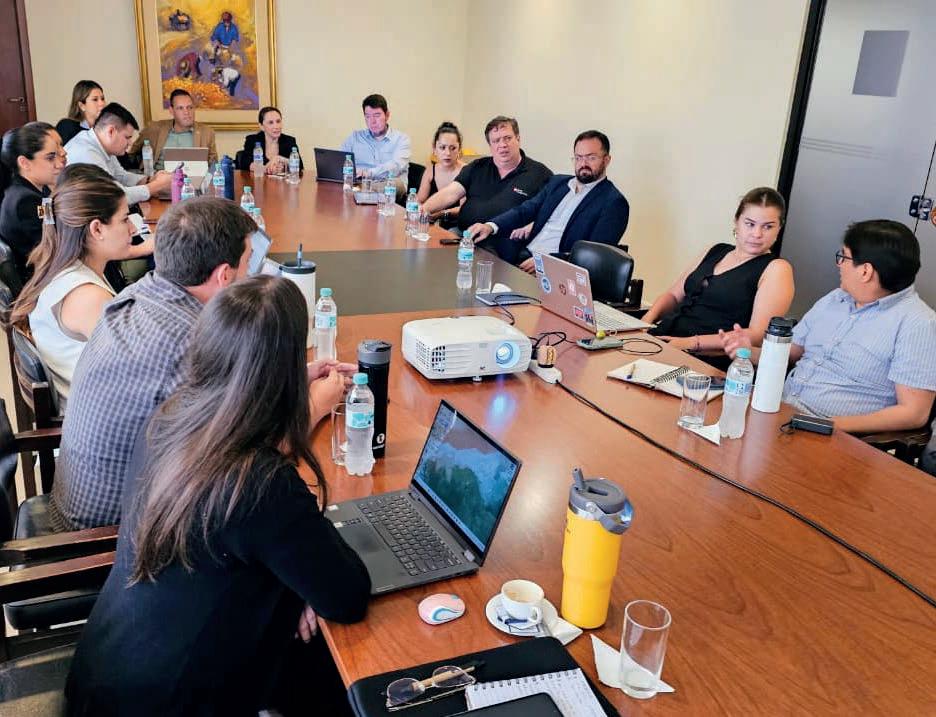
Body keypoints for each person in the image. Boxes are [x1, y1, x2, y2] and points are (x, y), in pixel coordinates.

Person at [65, 274, 370, 716]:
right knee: (340, 679)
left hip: (106, 678)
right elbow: (347, 597)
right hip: (172, 704)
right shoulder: (262, 484)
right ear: (280, 372)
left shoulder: (171, 418)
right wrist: (304, 579)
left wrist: (298, 578)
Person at [721, 219, 936, 434]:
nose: (839, 264)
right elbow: (791, 352)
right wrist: (747, 352)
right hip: (780, 412)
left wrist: (828, 426)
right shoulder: (836, 298)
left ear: (865, 271)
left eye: (844, 257)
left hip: (831, 434)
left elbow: (914, 413)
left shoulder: (917, 323)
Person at [6, 167, 151, 402]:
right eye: (125, 219)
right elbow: (139, 372)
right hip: (98, 412)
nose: (133, 229)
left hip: (92, 399)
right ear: (97, 229)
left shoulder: (68, 269)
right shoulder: (86, 296)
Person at [642, 187, 794, 363]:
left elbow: (757, 335)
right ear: (736, 221)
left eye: (767, 227)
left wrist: (691, 343)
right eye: (750, 224)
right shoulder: (716, 250)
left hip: (706, 357)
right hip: (664, 338)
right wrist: (645, 321)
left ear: (779, 228)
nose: (757, 234)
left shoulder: (777, 268)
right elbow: (674, 296)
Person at [466, 130, 629, 271]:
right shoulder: (558, 183)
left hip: (556, 270)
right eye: (578, 157)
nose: (583, 164)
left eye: (591, 158)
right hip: (523, 254)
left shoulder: (613, 202)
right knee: (475, 255)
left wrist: (546, 262)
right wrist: (490, 226)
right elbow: (525, 210)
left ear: (606, 160)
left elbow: (592, 255)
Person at [420, 116, 553, 233]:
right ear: (490, 145)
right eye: (496, 140)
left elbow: (553, 213)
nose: (503, 145)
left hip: (506, 245)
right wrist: (422, 209)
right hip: (463, 236)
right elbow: (450, 193)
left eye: (507, 138)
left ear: (518, 139)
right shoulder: (477, 167)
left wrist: (532, 226)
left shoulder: (540, 174)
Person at [64, 102, 172, 204]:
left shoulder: (103, 146)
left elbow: (121, 176)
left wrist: (150, 180)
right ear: (111, 131)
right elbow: (115, 197)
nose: (130, 143)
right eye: (127, 137)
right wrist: (157, 185)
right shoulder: (86, 153)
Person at [0, 122, 67, 281]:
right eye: (50, 157)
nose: (60, 163)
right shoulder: (26, 201)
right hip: (42, 280)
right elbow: (52, 247)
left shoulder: (35, 191)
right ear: (24, 163)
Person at [129, 89, 218, 170]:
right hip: (158, 178)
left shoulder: (206, 133)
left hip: (192, 180)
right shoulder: (154, 129)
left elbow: (214, 164)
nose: (187, 112)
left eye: (190, 107)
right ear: (171, 111)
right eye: (180, 108)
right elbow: (131, 155)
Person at [339, 94, 410, 182]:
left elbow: (396, 166)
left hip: (389, 187)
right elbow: (339, 163)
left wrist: (367, 173)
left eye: (377, 115)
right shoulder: (355, 138)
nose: (372, 121)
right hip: (359, 186)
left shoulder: (401, 139)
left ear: (387, 115)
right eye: (368, 116)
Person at [416, 121, 465, 229]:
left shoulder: (466, 171)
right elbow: (419, 200)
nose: (447, 153)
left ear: (459, 149)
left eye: (453, 148)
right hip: (431, 224)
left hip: (458, 227)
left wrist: (441, 214)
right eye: (442, 147)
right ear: (434, 148)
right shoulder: (430, 171)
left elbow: (464, 209)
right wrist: (419, 208)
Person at [237, 106, 303, 174]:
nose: (276, 126)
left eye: (278, 121)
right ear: (262, 126)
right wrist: (266, 169)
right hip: (258, 179)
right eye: (271, 122)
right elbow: (245, 164)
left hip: (282, 181)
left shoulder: (289, 141)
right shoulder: (252, 140)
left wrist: (280, 159)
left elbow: (300, 166)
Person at [55, 80, 105, 146]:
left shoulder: (105, 130)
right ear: (82, 106)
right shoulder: (67, 126)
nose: (102, 103)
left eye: (102, 99)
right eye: (95, 99)